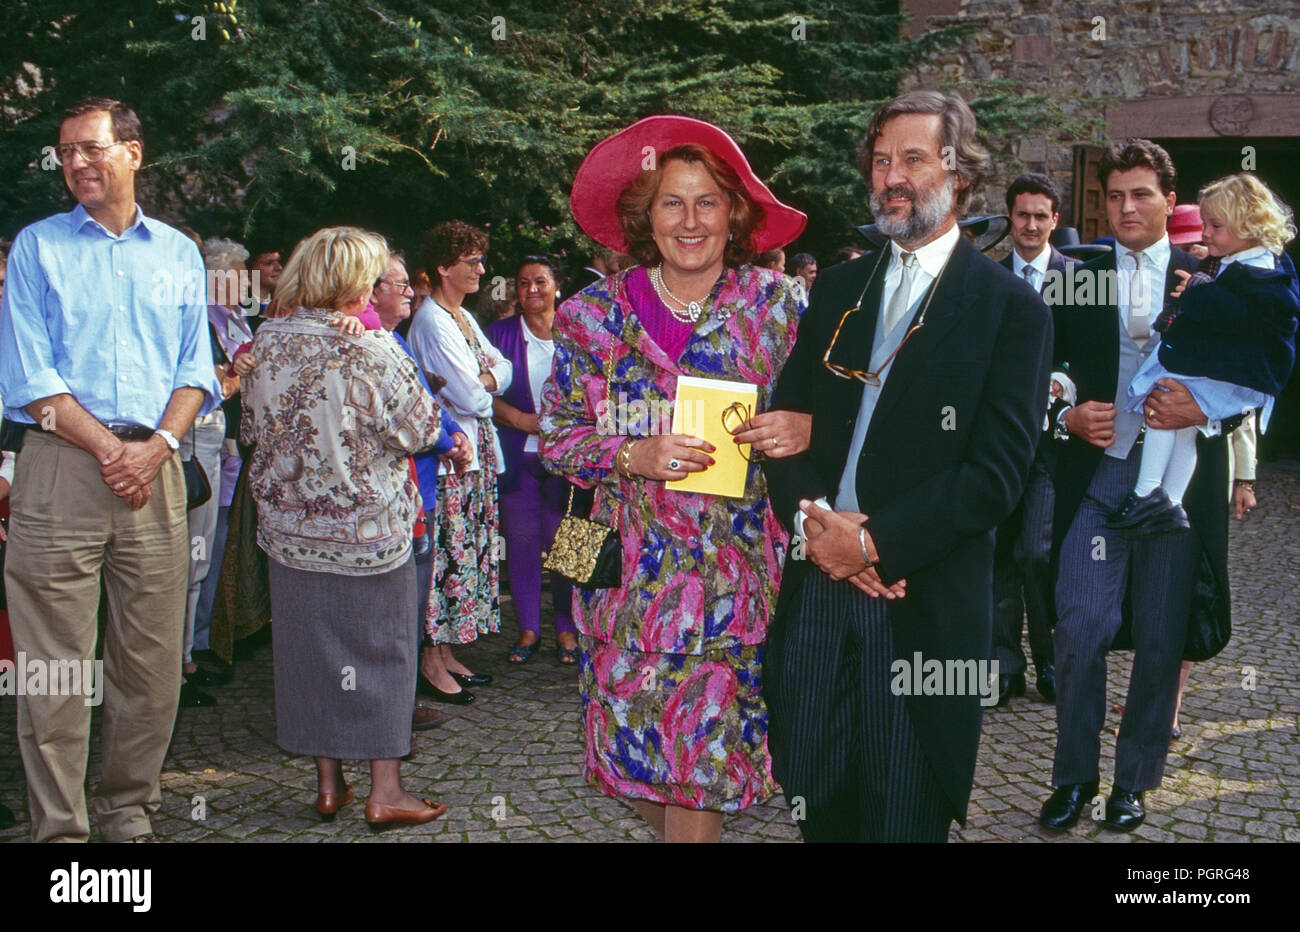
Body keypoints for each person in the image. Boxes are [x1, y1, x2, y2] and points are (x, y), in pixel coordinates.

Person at [762, 90, 1053, 842]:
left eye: (913, 159)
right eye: (881, 160)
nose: (892, 176)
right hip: (820, 580)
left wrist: (876, 541)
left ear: (959, 175)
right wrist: (819, 525)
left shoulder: (1007, 310)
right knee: (815, 789)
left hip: (919, 593)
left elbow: (997, 474)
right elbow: (784, 432)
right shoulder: (833, 290)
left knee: (903, 808)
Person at [543, 114, 810, 843]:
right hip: (626, 587)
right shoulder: (589, 316)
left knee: (703, 770)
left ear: (735, 215)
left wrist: (803, 428)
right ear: (644, 215)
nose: (689, 220)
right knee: (636, 764)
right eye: (671, 202)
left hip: (735, 587)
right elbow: (559, 439)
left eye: (706, 202)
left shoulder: (778, 309)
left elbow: (836, 417)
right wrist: (631, 454)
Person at [0, 97, 224, 842]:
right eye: (65, 153)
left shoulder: (178, 253)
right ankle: (60, 834)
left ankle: (127, 814)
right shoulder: (38, 247)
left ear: (134, 151)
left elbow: (197, 369)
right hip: (62, 467)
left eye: (90, 148)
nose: (76, 164)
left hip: (154, 469)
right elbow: (30, 377)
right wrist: (110, 450)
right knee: (56, 673)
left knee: (153, 667)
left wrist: (157, 446)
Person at [1041, 139, 1243, 833]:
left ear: (1168, 200)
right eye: (1116, 196)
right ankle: (1073, 778)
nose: (1127, 207)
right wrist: (1065, 410)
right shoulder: (1074, 273)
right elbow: (1045, 364)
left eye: (1141, 194)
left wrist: (1208, 406)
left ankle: (1133, 785)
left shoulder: (1212, 278)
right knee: (1080, 626)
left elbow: (1254, 378)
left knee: (1161, 635)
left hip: (1174, 490)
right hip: (1098, 476)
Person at [241, 226, 448, 827]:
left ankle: (328, 786)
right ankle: (386, 791)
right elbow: (422, 430)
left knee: (308, 654)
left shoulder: (269, 338)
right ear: (355, 279)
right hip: (367, 531)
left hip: (288, 529)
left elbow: (251, 430)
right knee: (380, 655)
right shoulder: (373, 348)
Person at [1106, 173, 1298, 537]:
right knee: (1184, 429)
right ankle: (1172, 503)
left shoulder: (1256, 272)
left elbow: (1233, 315)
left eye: (1215, 225)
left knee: (1163, 408)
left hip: (1236, 373)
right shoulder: (1258, 264)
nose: (1205, 233)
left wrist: (1196, 291)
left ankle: (1146, 493)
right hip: (1238, 372)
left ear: (1249, 225)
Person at [368, 249, 472, 731]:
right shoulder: (374, 343)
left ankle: (400, 703)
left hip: (420, 493)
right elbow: (410, 417)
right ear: (372, 291)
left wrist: (456, 435)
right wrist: (448, 438)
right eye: (401, 284)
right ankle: (390, 711)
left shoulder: (396, 340)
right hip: (397, 496)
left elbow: (428, 402)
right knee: (392, 612)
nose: (412, 291)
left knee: (411, 606)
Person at [407, 220, 509, 704]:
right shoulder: (430, 320)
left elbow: (500, 368)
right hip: (451, 459)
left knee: (463, 554)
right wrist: (485, 382)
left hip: (476, 455)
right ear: (444, 266)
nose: (481, 270)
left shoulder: (464, 318)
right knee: (446, 555)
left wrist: (484, 381)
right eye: (471, 262)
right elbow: (471, 394)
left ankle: (446, 651)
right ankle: (429, 658)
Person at [990, 172, 1077, 705]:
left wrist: (1063, 382)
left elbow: (1093, 355)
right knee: (999, 551)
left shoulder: (1078, 280)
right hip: (998, 439)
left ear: (1054, 220)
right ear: (1010, 219)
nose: (1030, 225)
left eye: (1040, 215)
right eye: (1022, 215)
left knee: (1037, 553)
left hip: (1052, 442)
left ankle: (1051, 663)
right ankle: (1003, 667)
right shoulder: (989, 278)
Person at [486, 256, 579, 664]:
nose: (532, 290)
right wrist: (525, 420)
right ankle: (527, 630)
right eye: (523, 284)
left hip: (571, 462)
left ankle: (568, 630)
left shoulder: (578, 331)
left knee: (566, 547)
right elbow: (483, 397)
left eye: (540, 281)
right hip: (517, 456)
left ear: (557, 286)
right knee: (522, 545)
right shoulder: (499, 334)